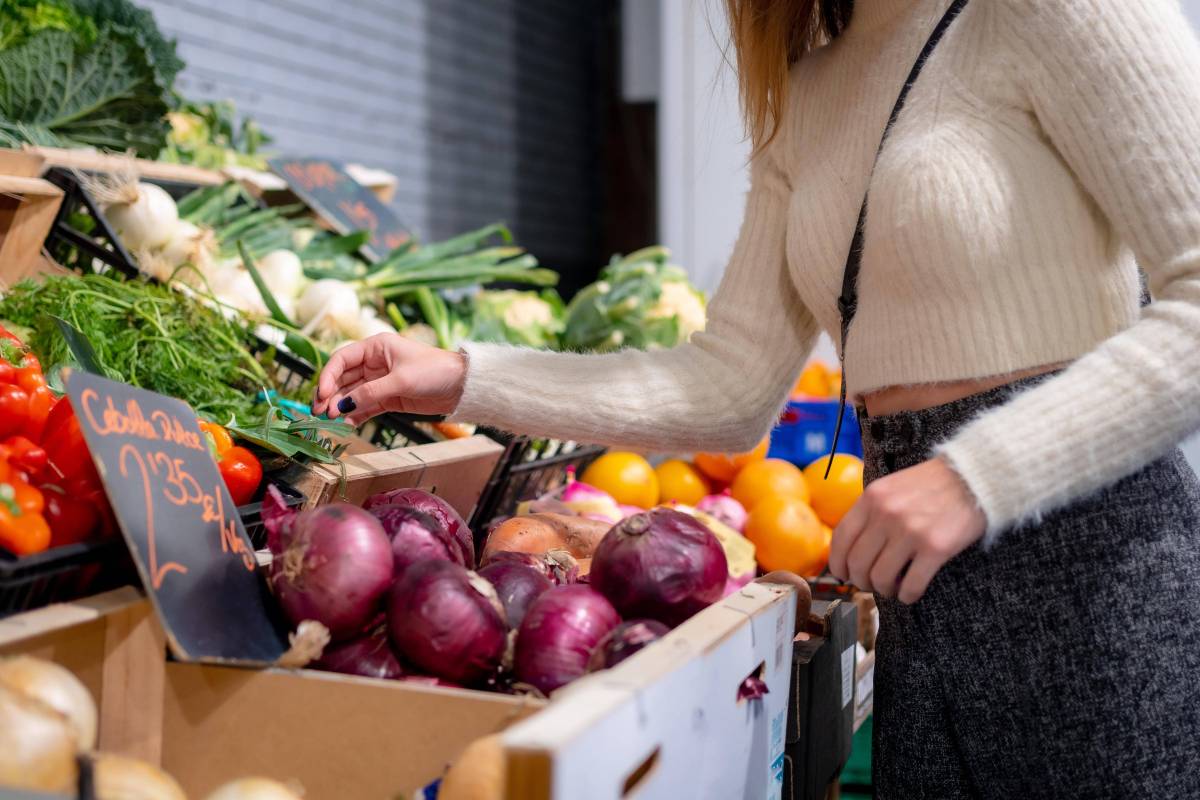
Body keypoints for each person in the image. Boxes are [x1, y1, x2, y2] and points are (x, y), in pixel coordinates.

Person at [314, 0, 1200, 795]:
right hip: (918, 594)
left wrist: (977, 476)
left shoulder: (1061, 12)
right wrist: (465, 376)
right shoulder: (811, 85)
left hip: (1094, 574)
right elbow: (729, 383)